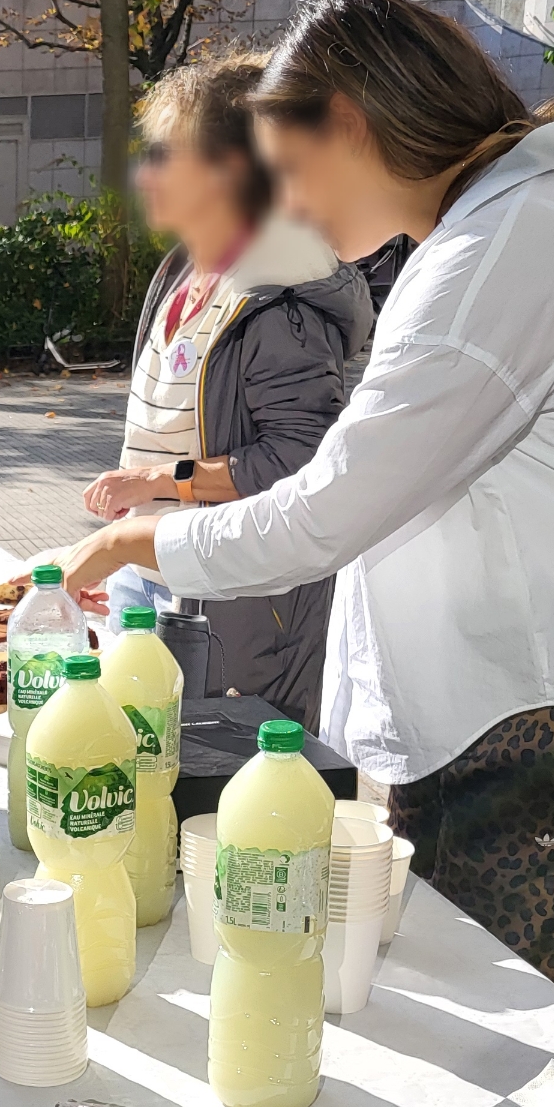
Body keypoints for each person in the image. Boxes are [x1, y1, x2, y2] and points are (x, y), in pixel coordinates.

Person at [61, 0, 554, 1039]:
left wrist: (142, 536)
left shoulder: (506, 249)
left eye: (288, 170)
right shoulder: (484, 232)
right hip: (486, 719)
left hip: (550, 724)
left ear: (352, 124)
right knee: (463, 1020)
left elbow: (325, 509)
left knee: (553, 1039)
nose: (287, 205)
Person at [80, 51, 371, 726]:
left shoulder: (278, 301)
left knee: (208, 779)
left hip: (234, 610)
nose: (144, 175)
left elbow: (301, 460)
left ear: (232, 170)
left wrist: (157, 482)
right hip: (154, 577)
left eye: (164, 155)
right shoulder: (184, 272)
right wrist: (128, 551)